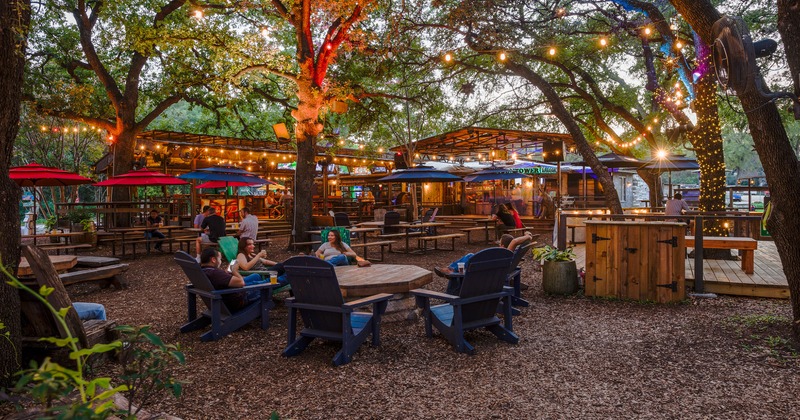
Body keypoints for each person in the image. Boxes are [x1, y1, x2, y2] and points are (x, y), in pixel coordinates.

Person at [434, 232, 537, 292]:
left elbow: (514, 241)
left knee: (469, 257)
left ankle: (450, 271)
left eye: (499, 243)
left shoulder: (506, 253)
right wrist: (527, 234)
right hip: (495, 268)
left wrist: (528, 236)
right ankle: (451, 270)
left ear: (502, 246)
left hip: (489, 272)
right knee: (469, 259)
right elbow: (515, 242)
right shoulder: (511, 254)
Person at [199, 248, 264, 311]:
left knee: (256, 276)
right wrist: (234, 271)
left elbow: (221, 279)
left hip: (224, 296)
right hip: (238, 300)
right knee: (266, 285)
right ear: (213, 259)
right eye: (220, 259)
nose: (220, 261)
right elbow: (241, 283)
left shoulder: (203, 271)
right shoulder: (215, 273)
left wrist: (227, 272)